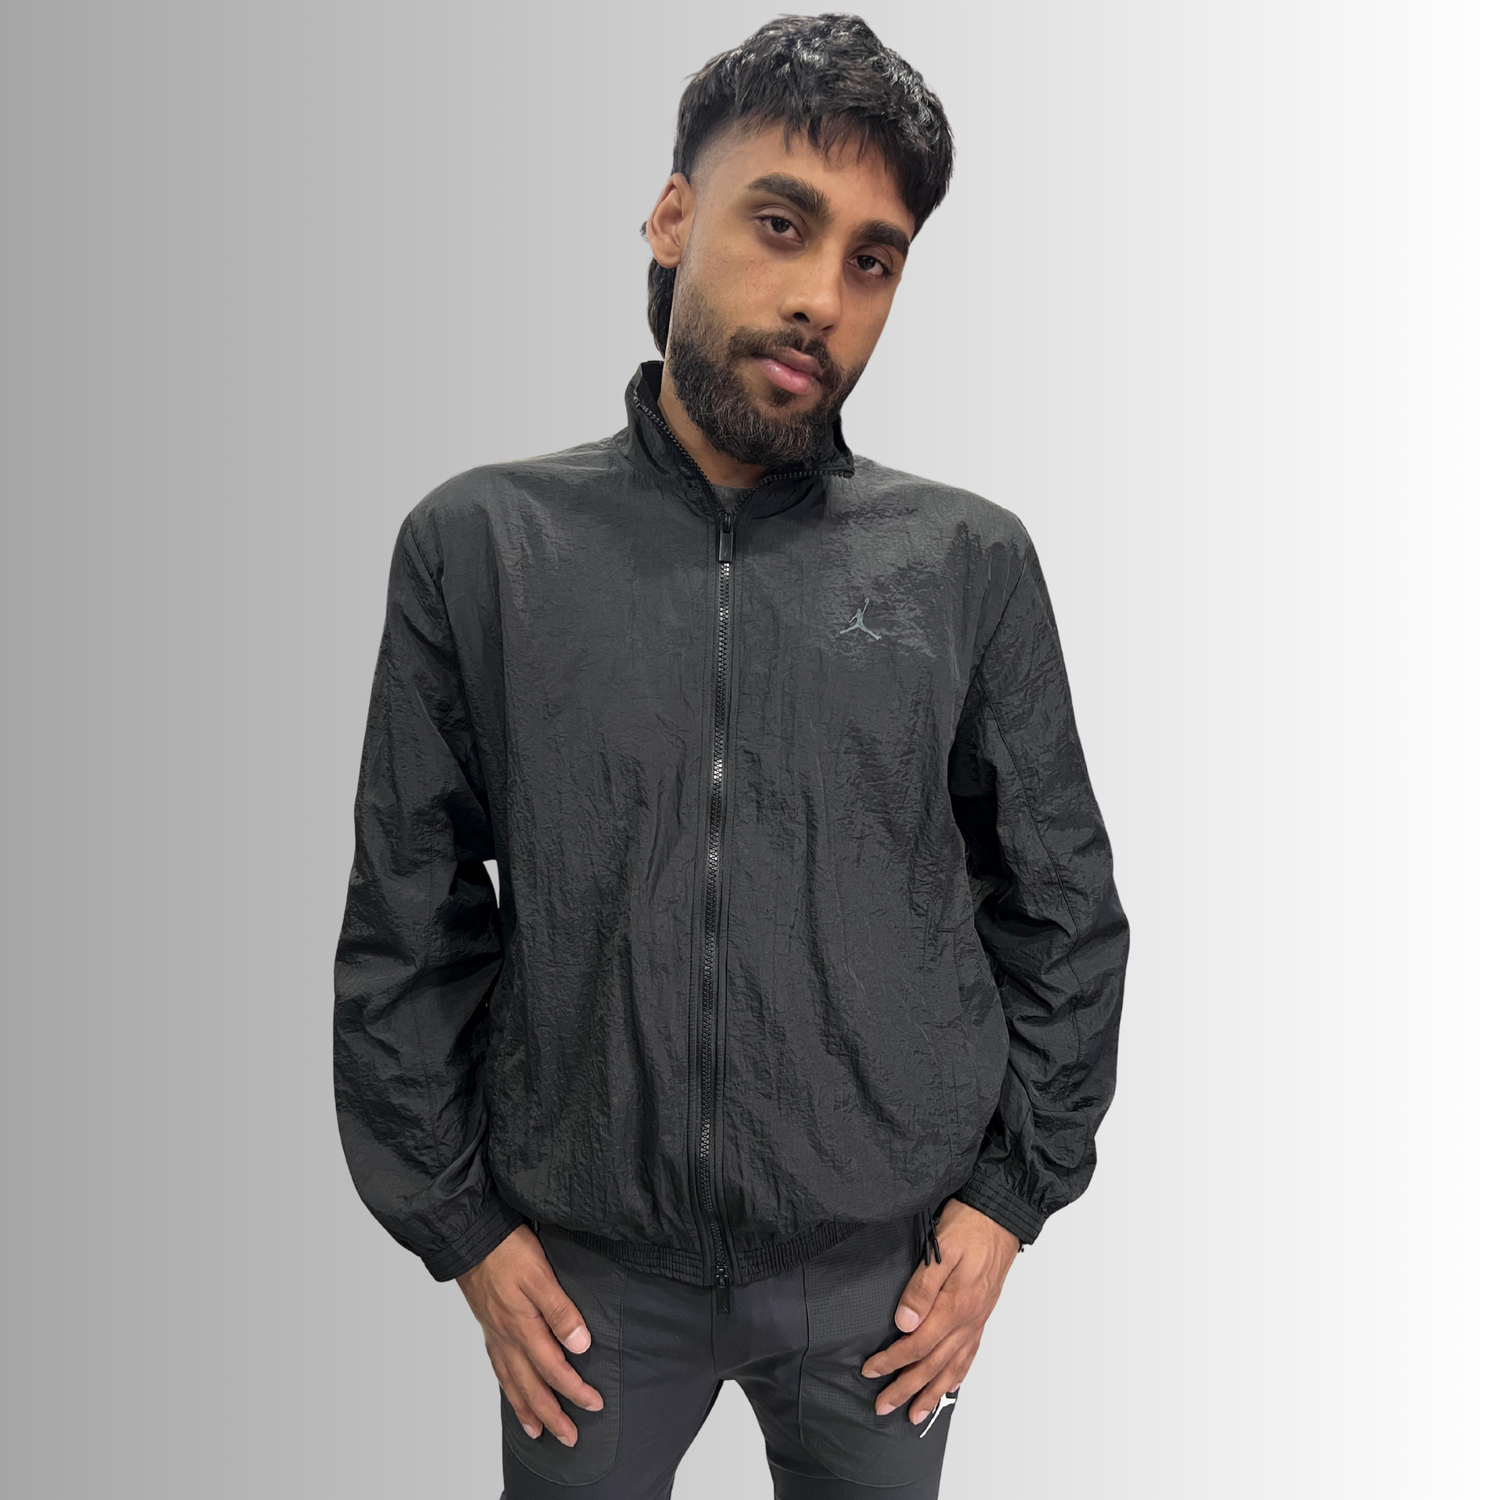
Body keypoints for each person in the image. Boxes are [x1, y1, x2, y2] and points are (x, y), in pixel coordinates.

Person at [333, 14, 1128, 1498]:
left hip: (883, 1283)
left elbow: (1062, 908)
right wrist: (464, 1231)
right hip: (584, 1284)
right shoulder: (481, 547)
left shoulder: (967, 564)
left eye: (873, 260)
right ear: (672, 217)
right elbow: (409, 917)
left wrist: (1006, 1204)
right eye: (781, 223)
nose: (821, 295)